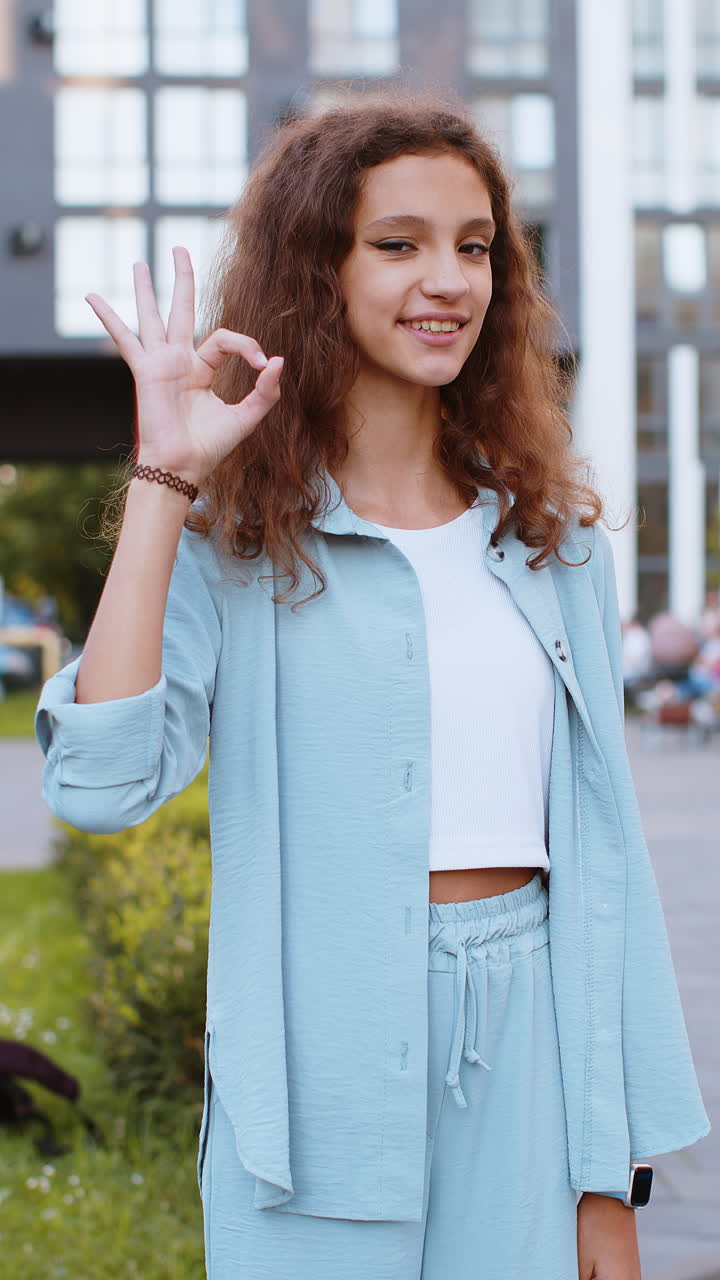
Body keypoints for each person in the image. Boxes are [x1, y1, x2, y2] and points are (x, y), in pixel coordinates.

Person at [35, 88, 709, 1280]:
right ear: (320, 271)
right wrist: (164, 476)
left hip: (535, 1052)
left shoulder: (557, 547)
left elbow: (609, 869)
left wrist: (614, 1170)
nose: (446, 278)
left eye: (474, 246)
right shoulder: (232, 546)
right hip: (311, 1080)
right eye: (397, 244)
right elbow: (99, 784)